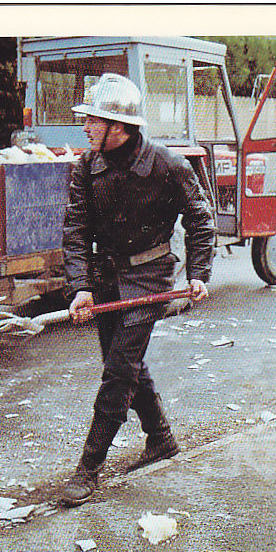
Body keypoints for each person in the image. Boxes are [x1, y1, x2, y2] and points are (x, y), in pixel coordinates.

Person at [59, 73, 215, 507]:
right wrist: (81, 287)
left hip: (150, 277)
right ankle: (161, 438)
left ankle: (88, 468)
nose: (86, 128)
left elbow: (201, 219)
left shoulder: (167, 164)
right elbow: (75, 229)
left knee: (118, 371)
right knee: (122, 362)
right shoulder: (88, 167)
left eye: (93, 120)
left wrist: (199, 272)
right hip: (107, 278)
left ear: (120, 127)